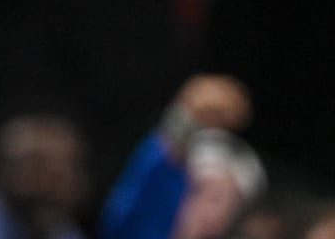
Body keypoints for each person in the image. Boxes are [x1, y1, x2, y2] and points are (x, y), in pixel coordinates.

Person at [99, 73, 266, 239]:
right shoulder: (164, 173)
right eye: (211, 198)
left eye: (229, 208)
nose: (216, 215)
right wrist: (186, 117)